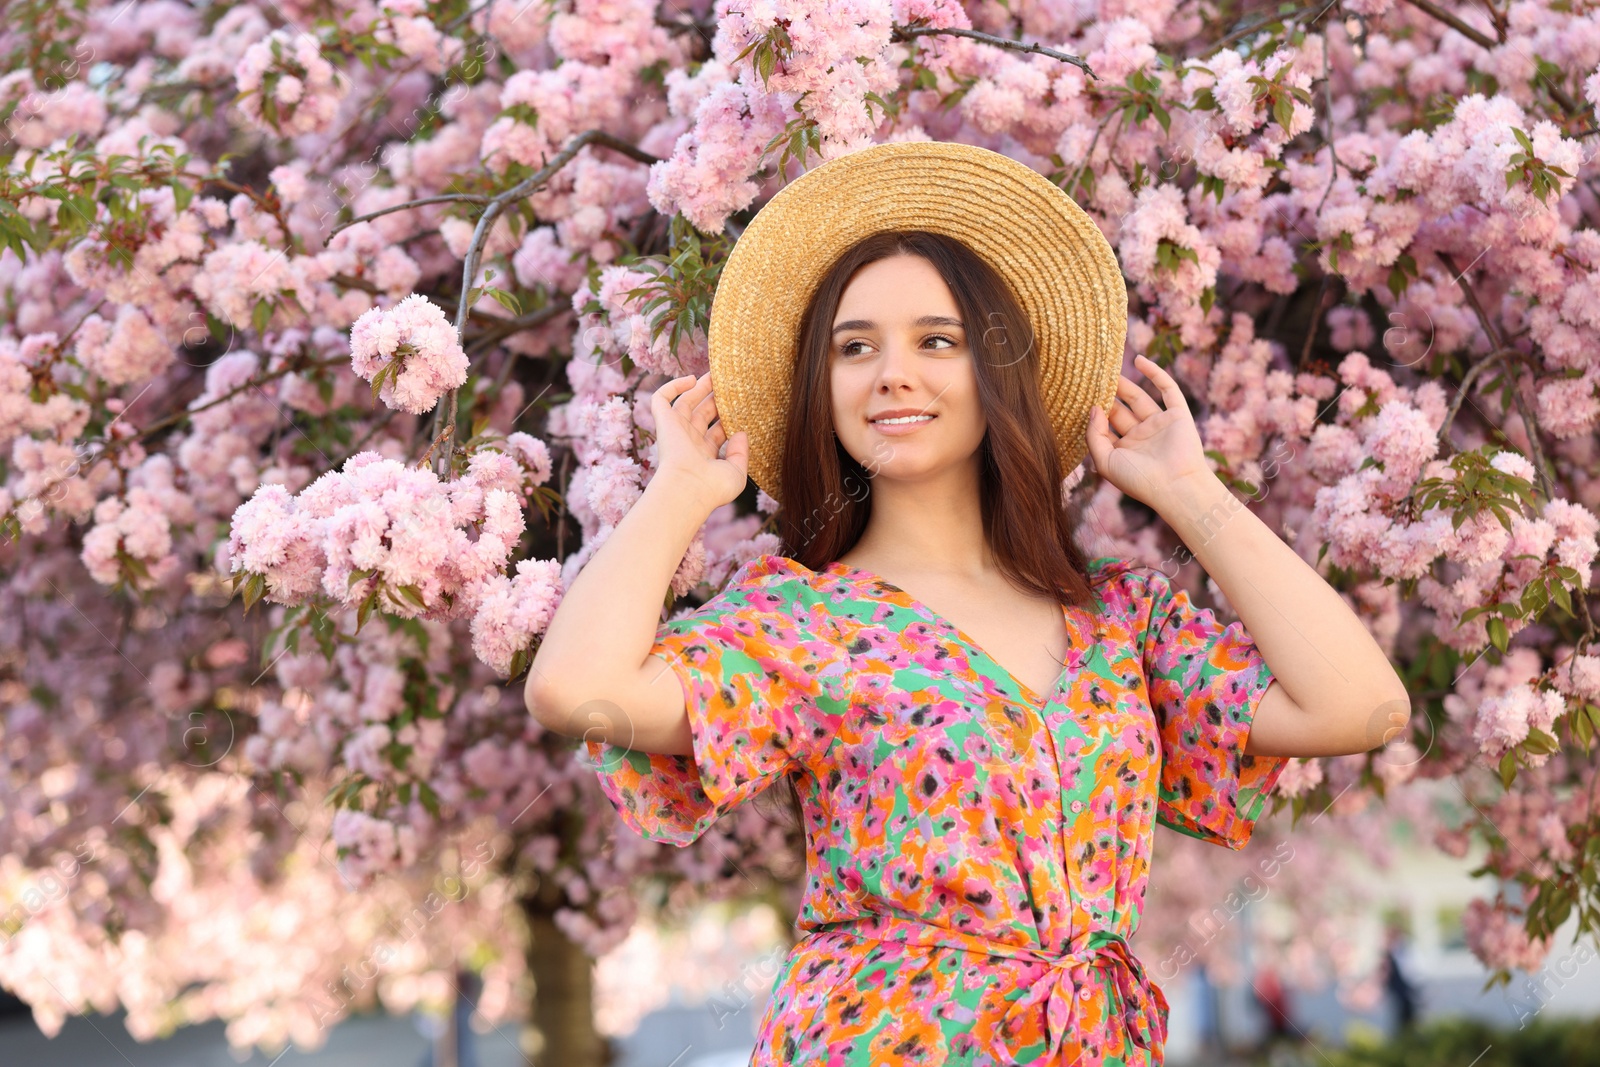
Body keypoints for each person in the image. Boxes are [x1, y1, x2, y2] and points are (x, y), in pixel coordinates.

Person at [525, 140, 1413, 1066]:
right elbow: (574, 689)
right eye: (854, 347)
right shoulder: (802, 624)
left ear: (998, 368)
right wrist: (678, 491)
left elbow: (1362, 704)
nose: (891, 374)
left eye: (935, 341)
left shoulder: (1116, 622)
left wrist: (1190, 491)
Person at [1381, 919, 1420, 1033]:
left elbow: (1408, 970)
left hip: (1405, 991)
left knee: (1408, 1016)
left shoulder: (1401, 951)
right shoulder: (1389, 953)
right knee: (1401, 1018)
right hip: (1398, 992)